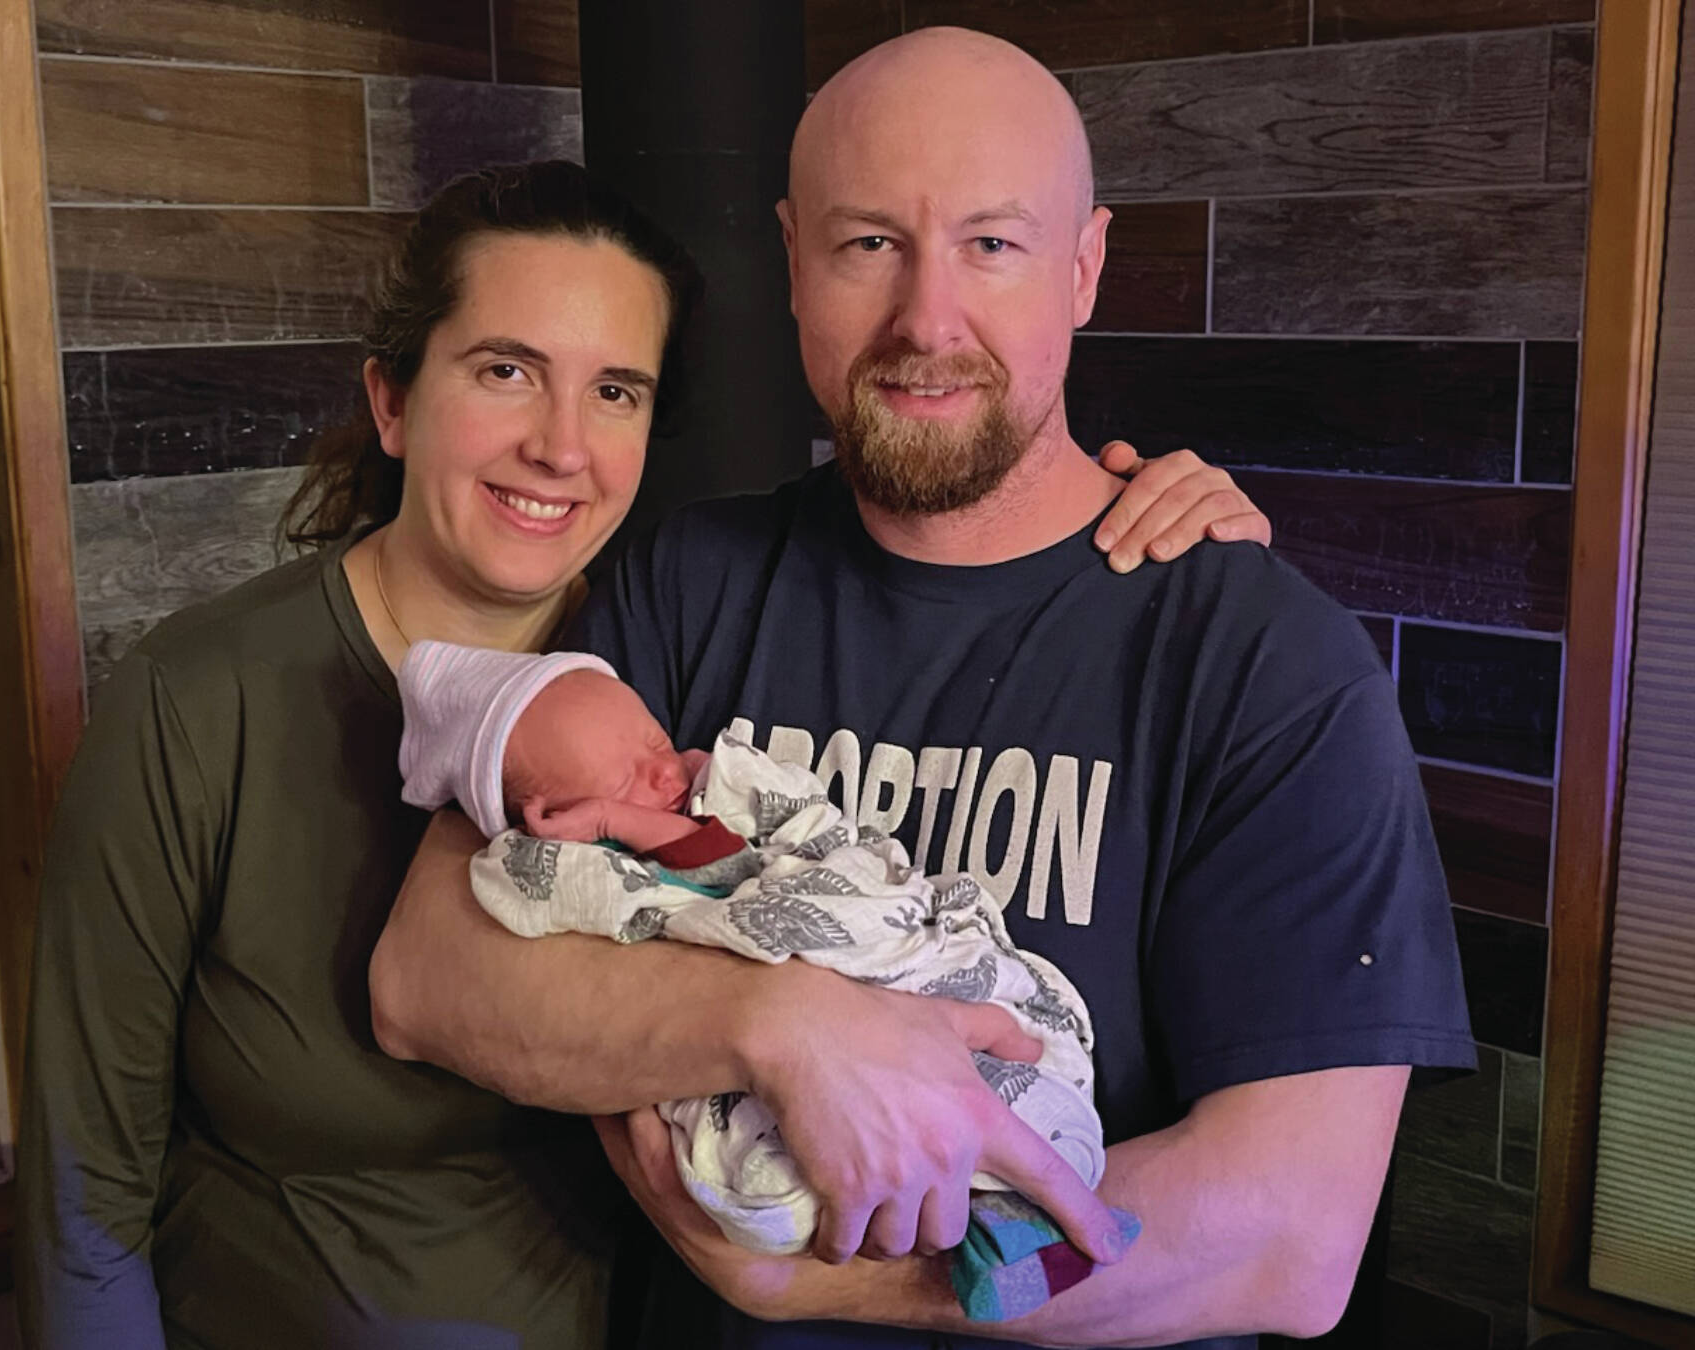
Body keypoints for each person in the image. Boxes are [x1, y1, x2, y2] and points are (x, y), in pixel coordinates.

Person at [13, 157, 1267, 1348]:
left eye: (617, 390)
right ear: (393, 400)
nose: (562, 444)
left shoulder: (684, 641)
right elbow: (84, 1199)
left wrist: (1147, 515)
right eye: (506, 370)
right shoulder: (200, 701)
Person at [370, 29, 1478, 1350]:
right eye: (870, 244)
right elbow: (425, 972)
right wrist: (770, 1023)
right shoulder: (687, 585)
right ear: (791, 259)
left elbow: (1288, 1234)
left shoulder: (1263, 665)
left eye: (992, 245)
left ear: (1084, 267)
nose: (926, 321)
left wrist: (805, 1284)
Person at [394, 641, 1110, 1317]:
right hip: (783, 1103)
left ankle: (1012, 1231)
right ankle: (996, 1238)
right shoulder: (594, 866)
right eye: (623, 780)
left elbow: (776, 856)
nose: (667, 775)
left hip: (878, 984)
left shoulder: (690, 787)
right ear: (549, 818)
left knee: (1007, 1090)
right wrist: (620, 819)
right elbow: (716, 869)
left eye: (655, 745)